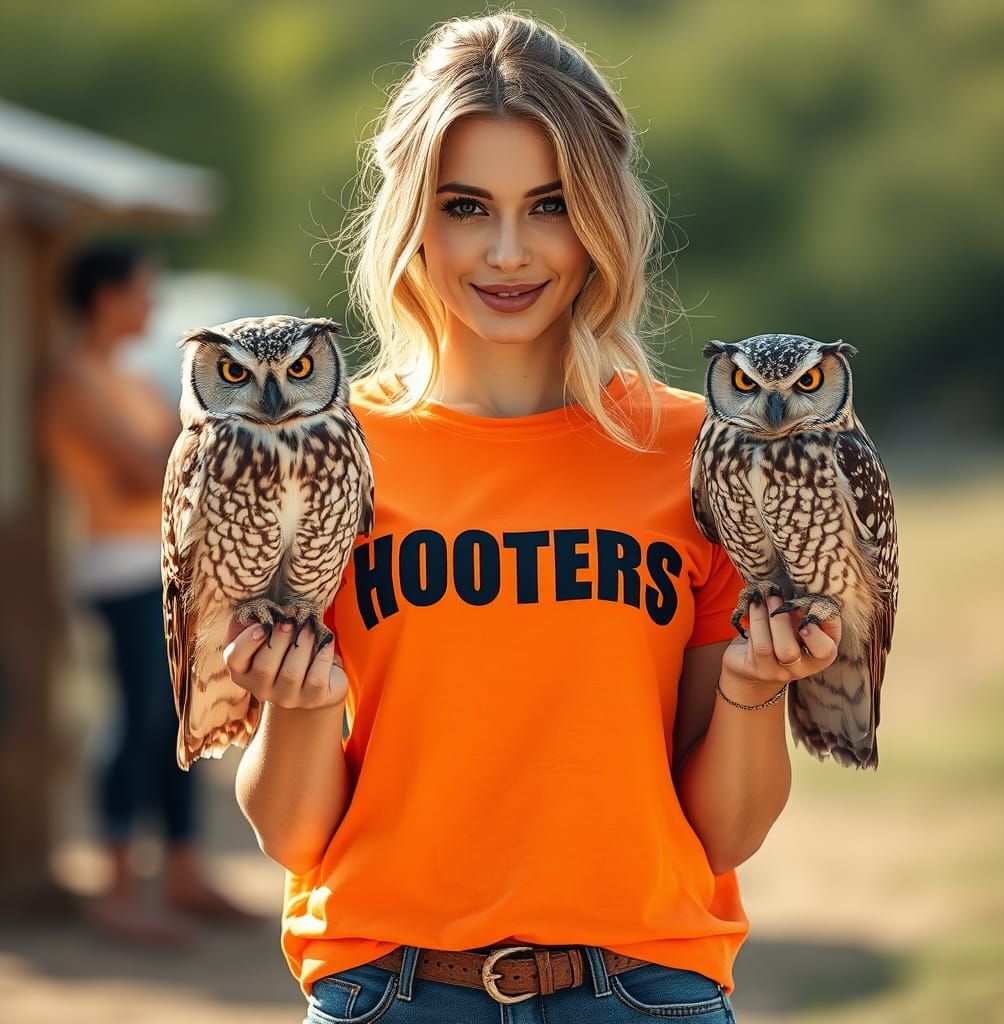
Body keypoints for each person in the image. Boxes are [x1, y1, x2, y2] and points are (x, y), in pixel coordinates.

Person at [227, 12, 841, 1022]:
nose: (507, 251)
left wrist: (748, 686)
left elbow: (722, 833)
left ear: (602, 215)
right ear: (413, 217)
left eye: (548, 205)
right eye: (466, 205)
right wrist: (296, 702)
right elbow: (296, 837)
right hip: (390, 990)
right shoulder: (327, 455)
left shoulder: (709, 455)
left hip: (644, 990)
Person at [39, 239, 263, 947]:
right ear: (107, 298)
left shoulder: (123, 378)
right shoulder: (72, 379)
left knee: (174, 723)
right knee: (137, 720)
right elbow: (147, 472)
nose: (153, 304)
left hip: (162, 570)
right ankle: (116, 887)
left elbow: (178, 460)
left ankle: (183, 874)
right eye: (142, 290)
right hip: (118, 569)